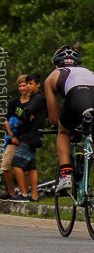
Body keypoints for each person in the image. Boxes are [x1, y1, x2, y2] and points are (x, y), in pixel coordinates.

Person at [44, 46, 94, 191]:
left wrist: (67, 126)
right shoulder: (89, 72)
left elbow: (54, 118)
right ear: (78, 64)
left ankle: (66, 175)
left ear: (56, 65)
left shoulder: (54, 75)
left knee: (63, 131)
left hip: (77, 95)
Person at [8, 72, 46, 203]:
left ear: (37, 85)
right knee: (31, 167)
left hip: (30, 135)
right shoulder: (40, 98)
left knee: (16, 164)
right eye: (27, 83)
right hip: (36, 135)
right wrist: (26, 116)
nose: (28, 86)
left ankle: (23, 194)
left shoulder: (36, 98)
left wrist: (22, 116)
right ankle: (34, 196)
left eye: (31, 84)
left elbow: (25, 115)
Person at [0, 75, 30, 200]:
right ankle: (11, 192)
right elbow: (6, 120)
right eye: (20, 86)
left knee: (25, 168)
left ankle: (25, 193)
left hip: (26, 138)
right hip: (13, 138)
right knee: (6, 165)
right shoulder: (14, 103)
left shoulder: (33, 102)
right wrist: (12, 135)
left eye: (24, 85)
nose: (22, 88)